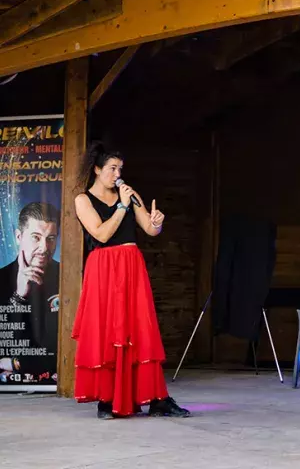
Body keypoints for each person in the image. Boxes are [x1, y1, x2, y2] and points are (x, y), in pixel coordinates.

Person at [71, 141, 190, 419]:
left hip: (130, 264)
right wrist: (122, 207)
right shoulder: (83, 200)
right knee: (106, 330)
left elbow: (149, 229)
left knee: (140, 328)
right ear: (97, 169)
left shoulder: (128, 193)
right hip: (103, 267)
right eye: (112, 168)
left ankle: (157, 399)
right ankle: (107, 399)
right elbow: (100, 234)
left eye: (120, 169)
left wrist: (157, 222)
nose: (117, 174)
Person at [0, 202, 61, 378]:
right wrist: (19, 296)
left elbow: (69, 348)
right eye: (36, 237)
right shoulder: (1, 280)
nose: (44, 248)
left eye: (51, 238)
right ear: (19, 237)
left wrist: (14, 363)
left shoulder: (68, 280)